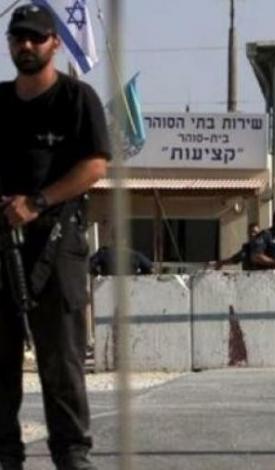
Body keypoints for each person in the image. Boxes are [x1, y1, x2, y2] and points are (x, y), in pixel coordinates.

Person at [0, 5, 110, 470]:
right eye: (18, 38)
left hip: (57, 242)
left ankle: (72, 455)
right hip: (3, 245)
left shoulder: (76, 99)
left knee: (61, 360)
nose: (26, 45)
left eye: (36, 38)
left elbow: (95, 165)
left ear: (55, 43)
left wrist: (37, 202)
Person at [89, 245, 154, 276]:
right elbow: (149, 267)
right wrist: (140, 274)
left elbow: (89, 264)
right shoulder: (133, 254)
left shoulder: (103, 253)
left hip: (109, 279)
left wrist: (96, 273)